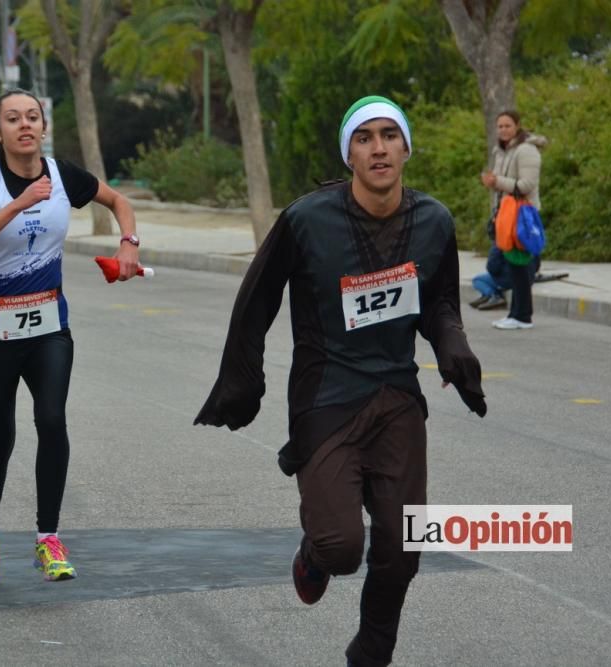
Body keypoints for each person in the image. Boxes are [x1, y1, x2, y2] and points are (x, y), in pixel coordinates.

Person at [195, 95, 486, 667]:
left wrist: (454, 348)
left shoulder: (434, 221)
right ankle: (314, 551)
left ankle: (372, 651)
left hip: (399, 397)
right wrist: (241, 382)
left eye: (388, 135)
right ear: (349, 153)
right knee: (342, 547)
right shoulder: (307, 219)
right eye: (364, 138)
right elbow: (255, 301)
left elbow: (442, 303)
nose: (378, 147)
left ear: (405, 147)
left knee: (404, 547)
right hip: (326, 398)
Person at [0, 89, 140, 586]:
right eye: (12, 119)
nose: (25, 125)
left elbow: (119, 201)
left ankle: (48, 538)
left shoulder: (62, 176)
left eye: (32, 117)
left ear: (43, 125)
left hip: (49, 325)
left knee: (52, 420)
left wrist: (127, 244)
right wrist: (16, 206)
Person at [479, 110, 546, 330]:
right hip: (506, 216)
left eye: (507, 126)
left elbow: (526, 185)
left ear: (517, 126)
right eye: (500, 126)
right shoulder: (501, 150)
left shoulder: (526, 150)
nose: (503, 130)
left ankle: (522, 316)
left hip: (523, 217)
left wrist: (497, 181)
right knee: (510, 263)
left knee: (518, 265)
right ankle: (516, 313)